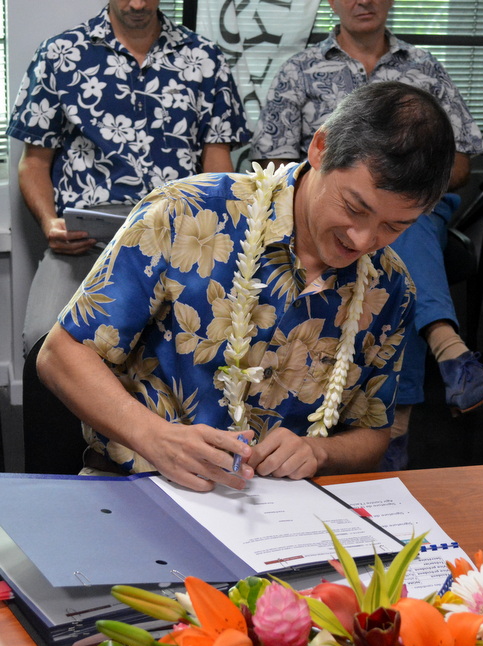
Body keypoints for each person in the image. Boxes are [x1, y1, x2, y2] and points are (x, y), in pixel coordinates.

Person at [37, 81, 456, 493]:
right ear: (320, 148)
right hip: (141, 485)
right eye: (354, 207)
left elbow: (372, 434)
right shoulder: (188, 214)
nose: (362, 240)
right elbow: (60, 354)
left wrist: (319, 452)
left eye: (393, 226)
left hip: (279, 508)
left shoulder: (390, 284)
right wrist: (155, 437)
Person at [249, 0, 483, 469]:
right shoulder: (301, 68)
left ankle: (393, 424)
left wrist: (403, 193)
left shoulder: (424, 66)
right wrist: (350, 198)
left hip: (423, 211)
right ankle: (441, 353)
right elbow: (275, 161)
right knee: (390, 240)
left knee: (400, 234)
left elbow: (461, 161)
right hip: (320, 203)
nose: (364, 1)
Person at [8, 0, 251, 356]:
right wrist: (49, 223)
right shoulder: (60, 54)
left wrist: (216, 234)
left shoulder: (204, 57)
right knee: (43, 339)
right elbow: (33, 164)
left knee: (205, 341)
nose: (137, 4)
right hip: (86, 240)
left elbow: (217, 164)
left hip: (177, 235)